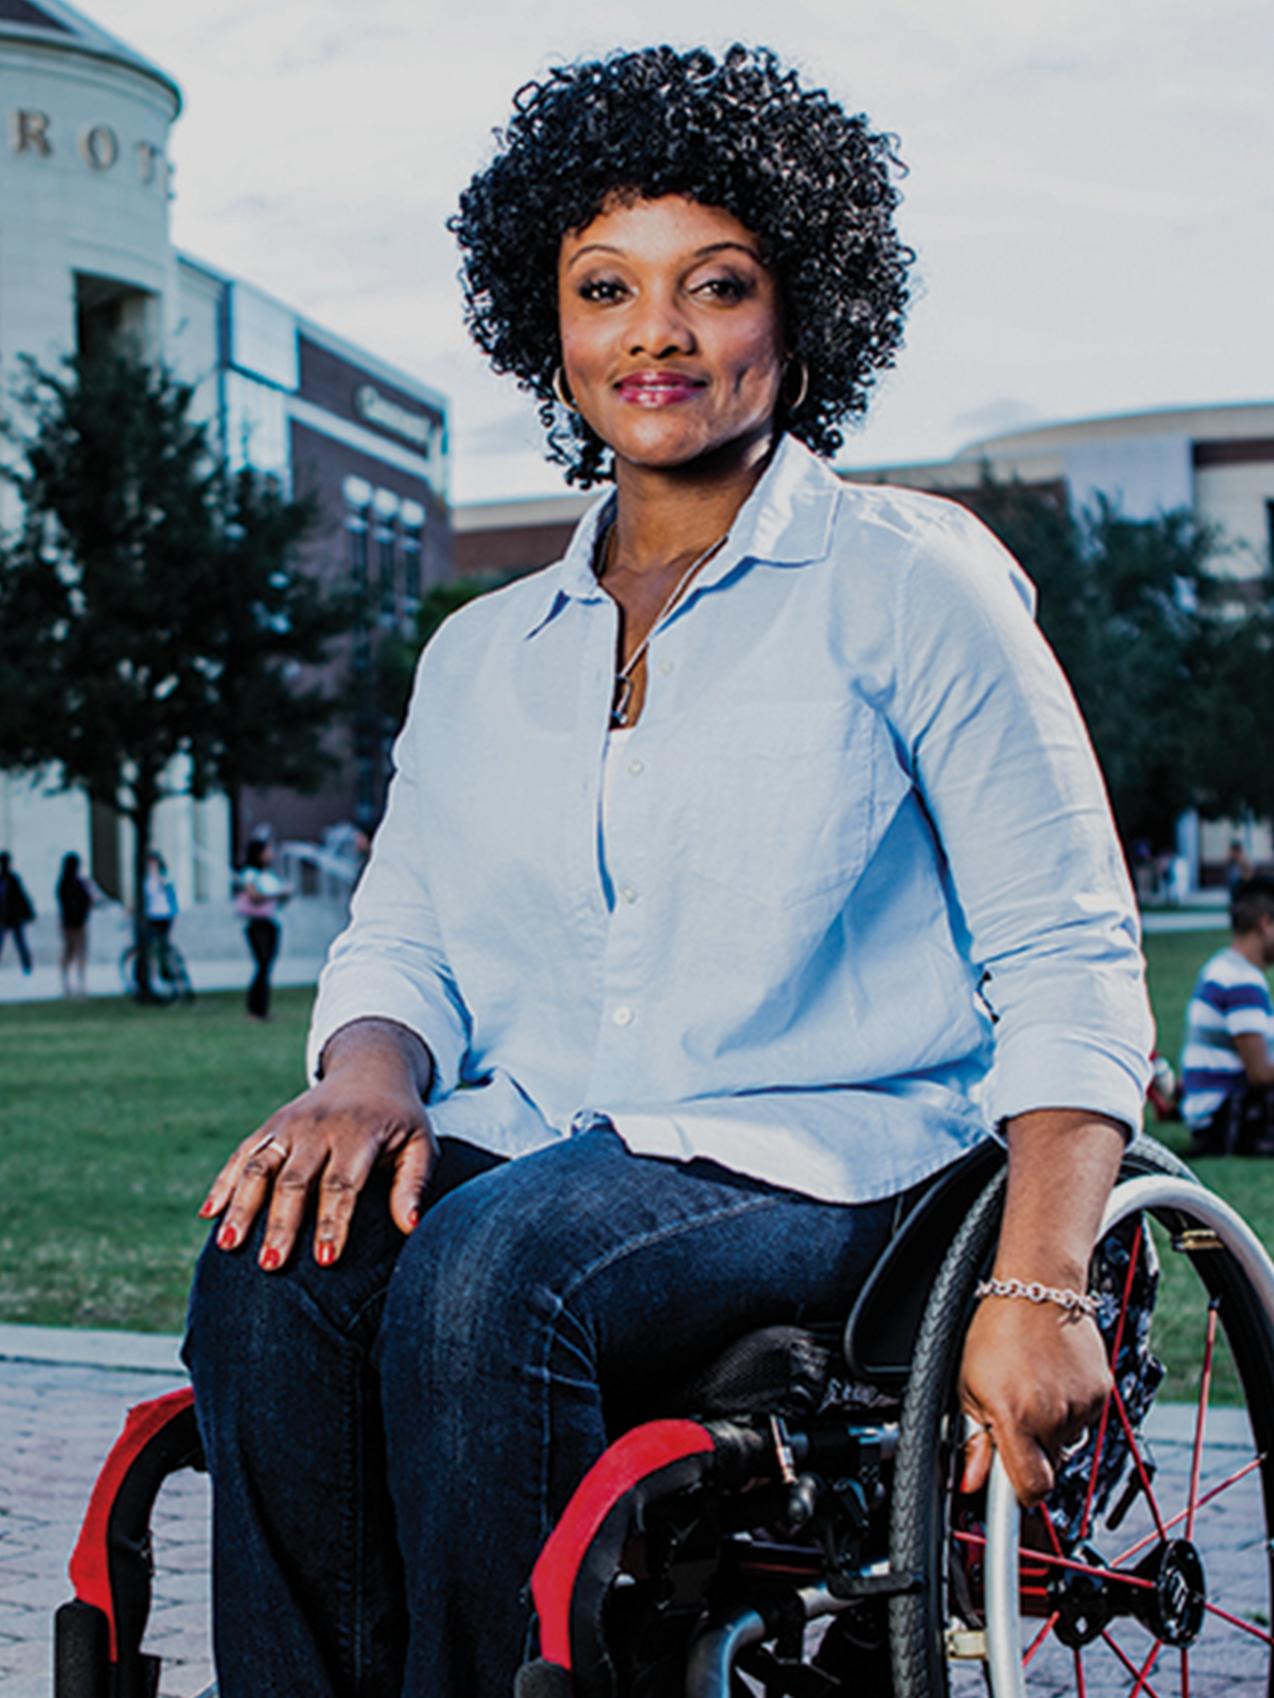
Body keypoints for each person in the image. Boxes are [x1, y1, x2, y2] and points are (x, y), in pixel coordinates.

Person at [184, 46, 1153, 1698]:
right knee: (278, 1253)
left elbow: (1063, 950)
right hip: (560, 1135)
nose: (656, 333)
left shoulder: (906, 585)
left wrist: (1038, 1280)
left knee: (496, 1266)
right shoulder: (482, 653)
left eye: (715, 284)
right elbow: (401, 933)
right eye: (602, 287)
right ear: (541, 318)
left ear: (798, 307)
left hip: (833, 1157)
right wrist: (358, 1075)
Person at [1180, 873, 1274, 1155]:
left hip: (1212, 1116)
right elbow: (1260, 1074)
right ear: (1265, 924)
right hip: (1226, 1120)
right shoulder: (1241, 981)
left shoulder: (1220, 968)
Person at [235, 832, 290, 1020]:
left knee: (267, 966)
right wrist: (276, 894)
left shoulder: (269, 875)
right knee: (262, 964)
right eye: (267, 850)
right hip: (257, 924)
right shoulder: (250, 874)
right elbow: (254, 896)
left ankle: (262, 1008)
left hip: (270, 922)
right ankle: (254, 1008)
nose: (271, 853)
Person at [56, 851, 100, 997]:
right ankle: (80, 983)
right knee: (79, 952)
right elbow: (89, 900)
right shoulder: (78, 883)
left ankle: (67, 983)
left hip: (68, 922)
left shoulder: (63, 883)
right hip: (77, 922)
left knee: (69, 952)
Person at [0, 850, 35, 975]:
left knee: (20, 943)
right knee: (20, 943)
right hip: (9, 917)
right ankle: (27, 967)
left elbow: (21, 897)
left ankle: (27, 966)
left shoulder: (12, 879)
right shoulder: (11, 879)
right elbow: (22, 897)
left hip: (12, 917)